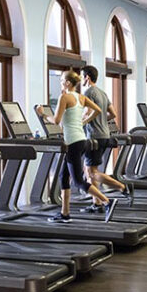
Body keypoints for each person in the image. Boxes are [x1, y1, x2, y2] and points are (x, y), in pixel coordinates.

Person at [36, 70, 116, 222]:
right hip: (81, 140)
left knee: (79, 181)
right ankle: (65, 214)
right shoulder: (81, 97)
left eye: (61, 80)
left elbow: (56, 120)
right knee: (63, 176)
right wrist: (84, 121)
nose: (60, 82)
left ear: (67, 83)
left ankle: (107, 201)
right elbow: (98, 110)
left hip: (73, 142)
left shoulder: (64, 97)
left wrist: (42, 114)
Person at [80, 65, 130, 213]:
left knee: (91, 173)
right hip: (105, 135)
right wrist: (101, 120)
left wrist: (80, 123)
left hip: (94, 136)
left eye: (82, 76)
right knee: (90, 169)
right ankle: (97, 203)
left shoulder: (88, 92)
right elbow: (113, 114)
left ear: (87, 77)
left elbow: (88, 112)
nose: (81, 80)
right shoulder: (102, 93)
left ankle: (122, 187)